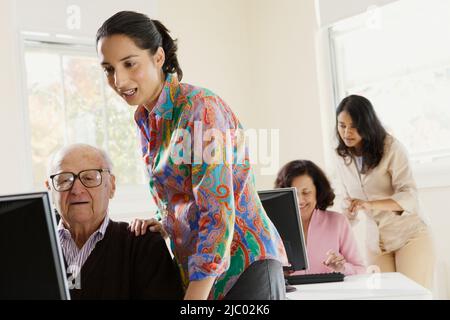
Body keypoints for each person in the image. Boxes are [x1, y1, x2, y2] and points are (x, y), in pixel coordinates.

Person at [96, 11, 288, 300]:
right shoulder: (146, 120)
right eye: (109, 69)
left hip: (243, 269)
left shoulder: (200, 108)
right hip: (201, 271)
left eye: (129, 64)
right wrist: (165, 222)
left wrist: (195, 297)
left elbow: (217, 209)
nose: (119, 80)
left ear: (158, 57)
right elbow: (182, 195)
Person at [45, 143, 184, 299]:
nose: (77, 190)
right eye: (64, 180)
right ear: (49, 188)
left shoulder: (143, 245)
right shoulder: (28, 250)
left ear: (111, 185)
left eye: (89, 178)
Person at [335, 94, 434, 289]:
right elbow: (348, 203)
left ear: (367, 124)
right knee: (383, 294)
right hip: (376, 243)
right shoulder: (341, 157)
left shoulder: (392, 148)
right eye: (342, 125)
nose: (347, 132)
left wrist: (370, 204)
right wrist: (350, 210)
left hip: (410, 236)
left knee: (412, 295)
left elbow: (410, 195)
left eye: (354, 126)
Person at [275, 160, 366, 276]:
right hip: (292, 294)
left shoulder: (338, 222)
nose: (299, 200)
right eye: (293, 193)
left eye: (306, 192)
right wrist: (279, 273)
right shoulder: (273, 226)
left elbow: (360, 270)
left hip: (330, 293)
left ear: (317, 192)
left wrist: (342, 268)